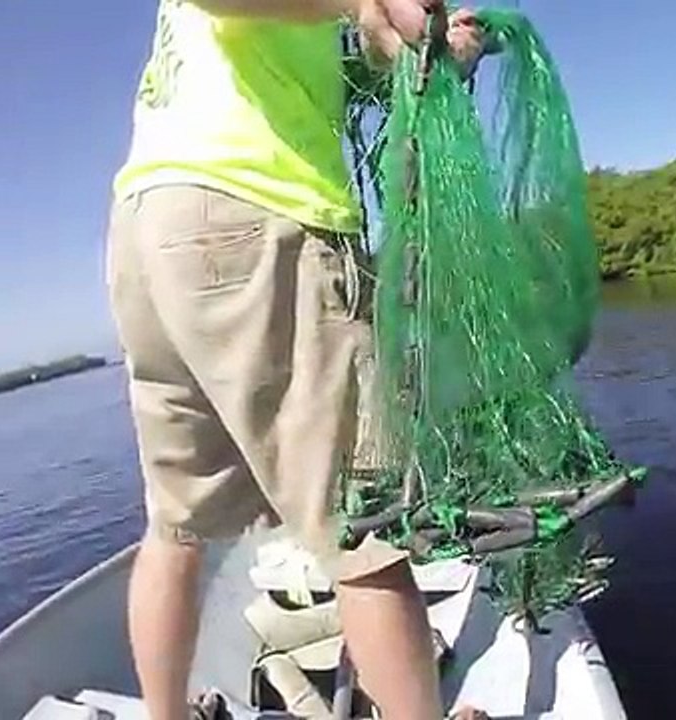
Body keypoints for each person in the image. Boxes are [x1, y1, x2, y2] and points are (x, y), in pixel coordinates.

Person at [105, 0, 491, 718]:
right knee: (362, 531)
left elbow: (344, 64)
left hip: (151, 225)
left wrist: (423, 46)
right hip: (253, 213)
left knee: (173, 526)